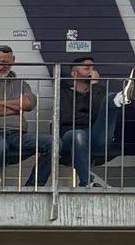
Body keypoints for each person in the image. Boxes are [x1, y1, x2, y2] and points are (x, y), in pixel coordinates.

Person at [0, 46, 45, 188]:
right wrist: (17, 107)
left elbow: (29, 103)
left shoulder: (21, 83)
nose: (0, 67)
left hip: (18, 135)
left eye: (5, 62)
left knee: (53, 144)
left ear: (13, 60)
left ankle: (34, 185)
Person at [57, 55, 134, 189]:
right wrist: (92, 116)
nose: (92, 71)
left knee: (108, 100)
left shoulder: (98, 90)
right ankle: (87, 182)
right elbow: (65, 118)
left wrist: (94, 86)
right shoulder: (63, 94)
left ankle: (121, 98)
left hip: (96, 135)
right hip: (70, 137)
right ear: (74, 74)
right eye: (87, 68)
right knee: (78, 134)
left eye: (93, 68)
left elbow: (101, 111)